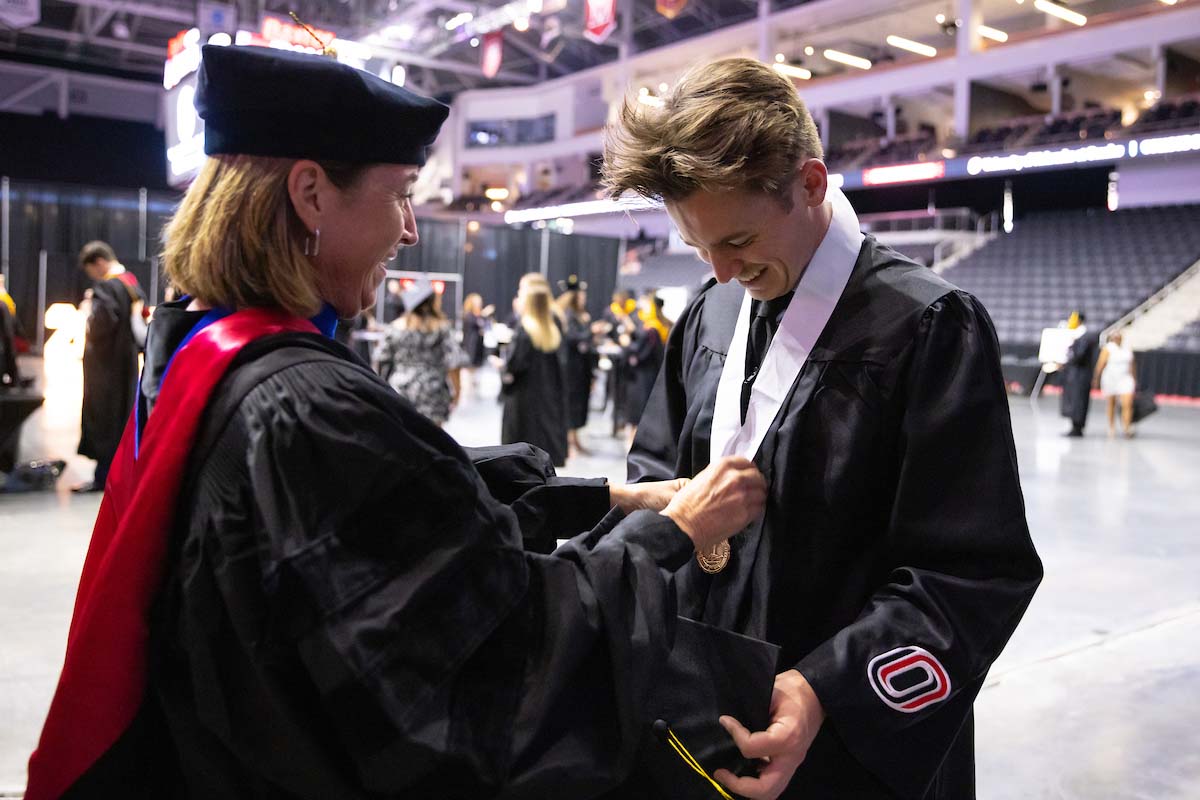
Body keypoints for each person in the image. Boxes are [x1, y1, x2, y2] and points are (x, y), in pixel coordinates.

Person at [26, 45, 770, 799]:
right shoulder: (301, 406)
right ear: (311, 194)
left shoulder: (195, 349)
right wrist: (671, 534)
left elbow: (398, 515)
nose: (412, 228)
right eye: (401, 193)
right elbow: (501, 648)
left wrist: (610, 499)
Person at [604, 57, 1043, 800]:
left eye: (737, 240)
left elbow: (969, 572)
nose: (718, 269)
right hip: (702, 714)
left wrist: (824, 691)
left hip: (846, 744)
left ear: (810, 185)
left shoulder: (926, 327)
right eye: (697, 246)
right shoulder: (709, 317)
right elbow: (656, 479)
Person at [75, 241, 146, 492]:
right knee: (121, 418)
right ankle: (115, 475)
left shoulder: (107, 287)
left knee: (104, 418)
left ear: (100, 263)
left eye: (91, 270)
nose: (93, 276)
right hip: (126, 363)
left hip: (105, 367)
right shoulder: (131, 284)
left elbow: (102, 324)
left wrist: (88, 311)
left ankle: (102, 477)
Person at [502, 273, 569, 467]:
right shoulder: (554, 324)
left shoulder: (526, 330)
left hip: (523, 401)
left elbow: (513, 367)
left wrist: (504, 369)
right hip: (547, 399)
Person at [373, 282, 463, 426]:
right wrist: (457, 393)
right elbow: (454, 362)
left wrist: (381, 388)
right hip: (433, 393)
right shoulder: (441, 328)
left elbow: (381, 359)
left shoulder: (396, 327)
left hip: (400, 392)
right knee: (433, 442)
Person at [556, 275, 596, 456]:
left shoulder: (578, 315)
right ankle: (568, 440)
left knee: (578, 402)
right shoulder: (568, 315)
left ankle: (573, 438)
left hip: (580, 367)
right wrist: (590, 331)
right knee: (571, 402)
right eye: (581, 296)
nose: (584, 299)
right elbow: (572, 339)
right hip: (570, 367)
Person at [623, 289, 670, 442]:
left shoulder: (652, 329)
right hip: (651, 372)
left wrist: (628, 345)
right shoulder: (662, 325)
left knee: (640, 409)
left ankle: (635, 441)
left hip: (645, 376)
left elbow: (642, 353)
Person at [1060, 310, 1098, 437]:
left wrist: (1067, 361)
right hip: (1076, 375)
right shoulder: (1078, 336)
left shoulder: (1084, 337)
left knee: (1079, 401)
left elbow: (1079, 356)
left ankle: (1077, 427)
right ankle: (1074, 426)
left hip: (1081, 375)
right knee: (1075, 400)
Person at [1094, 329, 1137, 438]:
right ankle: (1111, 427)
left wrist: (1134, 378)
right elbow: (1100, 365)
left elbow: (1132, 365)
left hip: (1125, 378)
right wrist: (1096, 379)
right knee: (1111, 403)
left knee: (1127, 404)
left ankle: (1127, 427)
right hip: (1111, 378)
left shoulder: (1127, 349)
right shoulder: (1108, 349)